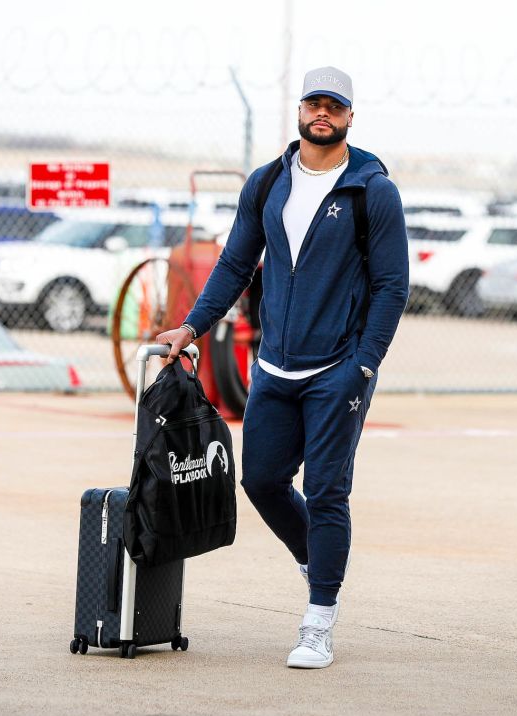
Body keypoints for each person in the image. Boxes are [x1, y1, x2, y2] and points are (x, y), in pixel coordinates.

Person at [155, 66, 409, 669]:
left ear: (350, 116)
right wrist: (192, 326)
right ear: (299, 110)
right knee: (261, 481)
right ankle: (318, 560)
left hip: (338, 370)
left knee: (326, 491)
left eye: (335, 107)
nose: (323, 114)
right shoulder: (268, 183)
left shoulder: (371, 190)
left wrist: (364, 366)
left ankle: (319, 618)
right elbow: (235, 264)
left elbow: (393, 286)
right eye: (314, 103)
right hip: (273, 368)